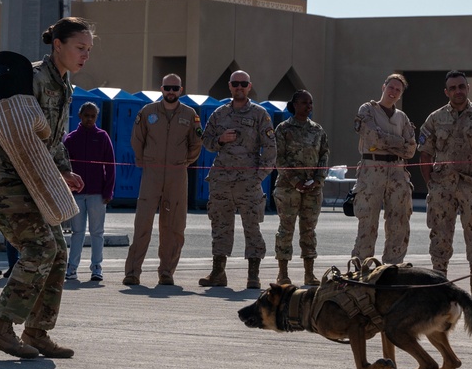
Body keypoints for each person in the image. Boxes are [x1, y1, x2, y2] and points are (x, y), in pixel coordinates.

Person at [0, 16, 93, 359]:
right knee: (40, 247)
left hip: (29, 179)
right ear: (58, 45)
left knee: (57, 251)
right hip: (0, 178)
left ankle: (37, 331)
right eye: (79, 48)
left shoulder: (64, 85)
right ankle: (0, 327)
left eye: (89, 49)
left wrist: (63, 171)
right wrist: (53, 171)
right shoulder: (33, 78)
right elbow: (16, 132)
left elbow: (50, 139)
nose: (85, 55)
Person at [417, 71, 472, 298]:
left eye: (461, 86)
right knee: (440, 235)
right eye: (452, 88)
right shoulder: (435, 118)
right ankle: (439, 285)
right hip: (442, 186)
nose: (458, 91)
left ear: (468, 88)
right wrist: (430, 182)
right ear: (446, 92)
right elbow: (424, 152)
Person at [199, 70, 276, 289]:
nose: (239, 87)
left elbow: (270, 148)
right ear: (230, 87)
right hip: (221, 179)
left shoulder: (260, 114)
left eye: (243, 83)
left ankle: (253, 275)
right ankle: (218, 273)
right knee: (220, 226)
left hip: (248, 181)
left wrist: (258, 176)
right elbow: (207, 141)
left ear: (249, 86)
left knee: (252, 226)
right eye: (235, 84)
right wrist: (220, 140)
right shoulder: (219, 113)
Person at [123, 74, 202, 286]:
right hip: (152, 173)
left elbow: (196, 142)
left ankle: (166, 272)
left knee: (174, 226)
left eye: (175, 88)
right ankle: (132, 272)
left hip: (177, 175)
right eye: (167, 87)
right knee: (143, 223)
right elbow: (137, 138)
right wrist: (142, 160)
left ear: (181, 90)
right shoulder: (148, 112)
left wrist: (185, 161)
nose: (171, 91)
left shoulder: (190, 114)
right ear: (161, 88)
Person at [351, 73, 416, 264]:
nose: (393, 92)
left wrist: (386, 141)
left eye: (398, 90)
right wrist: (398, 142)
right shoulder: (367, 110)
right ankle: (361, 267)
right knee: (368, 222)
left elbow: (411, 149)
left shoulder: (402, 117)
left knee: (399, 222)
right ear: (383, 87)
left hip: (397, 171)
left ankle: (393, 266)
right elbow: (371, 136)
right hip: (372, 170)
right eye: (391, 87)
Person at [273, 90, 329, 286]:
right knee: (286, 230)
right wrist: (295, 180)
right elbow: (278, 159)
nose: (309, 106)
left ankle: (309, 273)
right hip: (288, 188)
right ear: (294, 104)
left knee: (309, 231)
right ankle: (283, 273)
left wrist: (317, 180)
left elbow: (324, 157)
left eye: (311, 103)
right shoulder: (283, 129)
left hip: (313, 189)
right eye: (304, 102)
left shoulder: (317, 130)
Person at [63, 101, 116, 282]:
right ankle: (72, 268)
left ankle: (96, 267)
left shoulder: (102, 137)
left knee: (97, 232)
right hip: (76, 195)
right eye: (87, 115)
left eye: (93, 116)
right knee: (77, 232)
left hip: (97, 194)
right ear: (80, 116)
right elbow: (64, 167)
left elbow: (110, 167)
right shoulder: (70, 139)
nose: (90, 119)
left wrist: (108, 192)